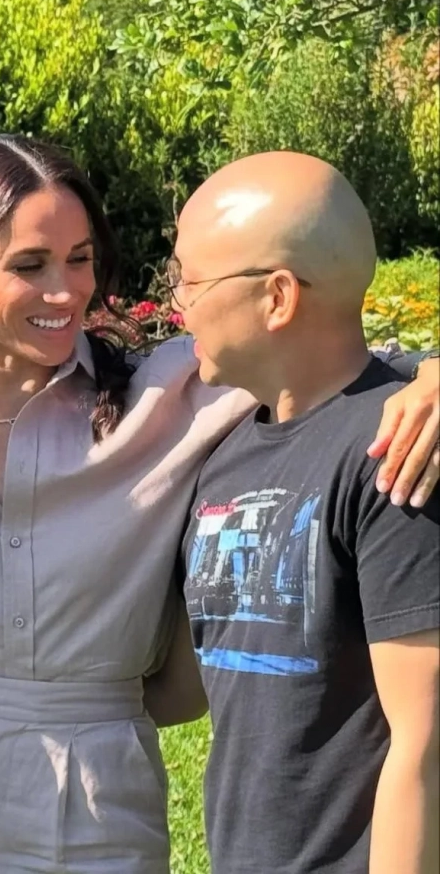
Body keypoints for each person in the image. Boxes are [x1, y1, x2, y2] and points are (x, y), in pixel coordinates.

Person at [0, 135, 439, 874]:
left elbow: (328, 352)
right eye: (30, 265)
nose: (66, 291)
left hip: (97, 797)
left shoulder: (175, 395)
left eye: (80, 259)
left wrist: (436, 373)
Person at [172, 151, 439, 874]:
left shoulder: (400, 449)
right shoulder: (229, 454)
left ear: (278, 296)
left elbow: (425, 742)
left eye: (190, 281)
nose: (177, 305)